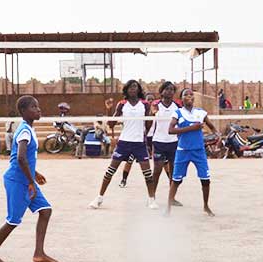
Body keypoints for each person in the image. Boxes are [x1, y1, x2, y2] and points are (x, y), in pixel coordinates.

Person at [0, 96, 56, 262]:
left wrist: (35, 174)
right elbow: (20, 158)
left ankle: (39, 253)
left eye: (38, 106)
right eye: (33, 107)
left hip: (26, 179)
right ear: (24, 112)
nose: (38, 109)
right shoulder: (24, 130)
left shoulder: (29, 129)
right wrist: (31, 181)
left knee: (45, 210)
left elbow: (25, 158)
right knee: (13, 220)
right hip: (17, 181)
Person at [89, 80, 159, 210]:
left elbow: (148, 126)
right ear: (126, 90)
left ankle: (151, 199)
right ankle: (99, 198)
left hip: (139, 143)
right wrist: (109, 110)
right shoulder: (122, 104)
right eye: (130, 87)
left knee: (147, 173)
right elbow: (111, 124)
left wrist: (152, 115)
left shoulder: (144, 105)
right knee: (110, 171)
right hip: (124, 142)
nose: (133, 89)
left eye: (135, 87)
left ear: (139, 90)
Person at [165, 91, 216, 216]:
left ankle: (206, 206)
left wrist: (217, 135)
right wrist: (191, 128)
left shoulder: (200, 113)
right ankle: (168, 208)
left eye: (191, 95)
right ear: (181, 99)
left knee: (205, 179)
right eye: (186, 95)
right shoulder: (178, 113)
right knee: (176, 180)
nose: (189, 97)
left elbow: (212, 127)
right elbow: (170, 130)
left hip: (198, 150)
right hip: (183, 150)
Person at [147, 82, 181, 203]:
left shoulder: (177, 106)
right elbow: (151, 115)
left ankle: (171, 198)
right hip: (159, 142)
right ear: (161, 91)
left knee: (173, 172)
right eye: (167, 89)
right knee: (157, 170)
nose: (169, 91)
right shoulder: (156, 105)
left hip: (173, 142)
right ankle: (152, 197)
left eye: (172, 89)